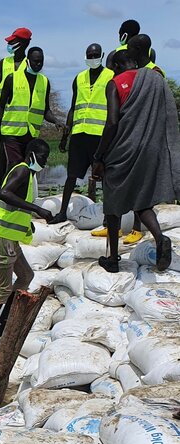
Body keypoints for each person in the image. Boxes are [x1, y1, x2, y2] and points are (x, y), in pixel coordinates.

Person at [91, 50, 180, 273]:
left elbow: (112, 122)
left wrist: (99, 157)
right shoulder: (153, 81)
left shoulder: (115, 83)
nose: (112, 72)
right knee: (142, 202)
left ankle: (112, 258)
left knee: (112, 205)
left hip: (122, 150)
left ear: (119, 65)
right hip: (150, 149)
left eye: (113, 68)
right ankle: (160, 237)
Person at [0, 140, 54, 357]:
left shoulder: (23, 172)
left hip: (7, 237)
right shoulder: (23, 171)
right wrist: (36, 210)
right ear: (31, 154)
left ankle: (3, 323)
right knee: (3, 290)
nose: (44, 162)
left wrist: (25, 219)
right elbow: (4, 194)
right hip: (0, 237)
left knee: (25, 275)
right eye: (42, 157)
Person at [51, 44, 114, 226]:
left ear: (101, 56)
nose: (92, 57)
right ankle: (63, 212)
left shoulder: (111, 76)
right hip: (79, 134)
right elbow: (73, 107)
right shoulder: (79, 78)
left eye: (95, 55)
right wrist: (66, 134)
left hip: (100, 135)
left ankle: (107, 217)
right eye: (89, 55)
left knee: (104, 177)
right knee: (71, 175)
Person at [0, 47, 61, 181]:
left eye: (41, 62)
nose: (38, 64)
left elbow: (46, 110)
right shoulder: (12, 78)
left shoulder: (45, 82)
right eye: (36, 61)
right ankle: (3, 194)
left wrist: (56, 121)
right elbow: (0, 105)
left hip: (31, 133)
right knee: (15, 165)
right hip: (11, 132)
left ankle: (21, 196)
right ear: (28, 60)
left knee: (29, 167)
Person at [0, 28, 32, 186]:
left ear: (24, 43)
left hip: (22, 120)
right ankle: (2, 189)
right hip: (3, 117)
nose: (9, 44)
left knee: (22, 159)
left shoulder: (30, 64)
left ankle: (19, 190)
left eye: (13, 42)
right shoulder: (4, 63)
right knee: (3, 157)